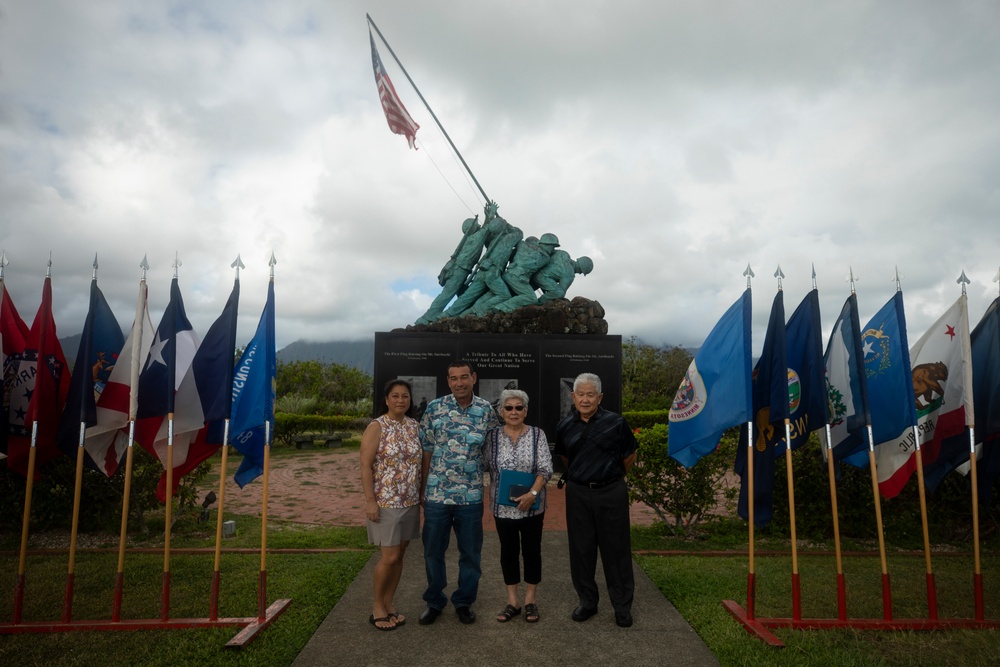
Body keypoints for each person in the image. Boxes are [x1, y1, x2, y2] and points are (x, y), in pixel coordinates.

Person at [418, 359, 501, 625]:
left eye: (464, 377)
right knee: (432, 551)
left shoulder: (486, 410)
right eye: (454, 378)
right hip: (437, 495)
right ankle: (435, 601)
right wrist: (423, 488)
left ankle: (464, 601)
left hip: (471, 496)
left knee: (471, 554)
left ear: (473, 378)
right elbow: (426, 450)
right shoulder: (435, 408)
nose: (459, 383)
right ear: (448, 380)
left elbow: (494, 451)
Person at [554, 372, 638, 628]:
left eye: (591, 394)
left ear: (600, 397)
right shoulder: (565, 425)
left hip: (611, 492)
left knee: (616, 551)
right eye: (581, 394)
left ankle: (622, 607)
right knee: (581, 550)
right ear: (573, 397)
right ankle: (587, 602)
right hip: (578, 493)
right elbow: (565, 458)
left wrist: (611, 477)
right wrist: (583, 475)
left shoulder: (616, 423)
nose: (586, 399)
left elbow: (629, 456)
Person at [483, 389, 553, 623]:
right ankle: (512, 601)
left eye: (519, 407)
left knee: (532, 551)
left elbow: (545, 468)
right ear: (501, 411)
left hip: (533, 506)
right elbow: (481, 464)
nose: (514, 412)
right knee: (508, 552)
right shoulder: (491, 436)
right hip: (502, 508)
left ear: (526, 410)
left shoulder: (537, 435)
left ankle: (530, 600)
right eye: (509, 408)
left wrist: (533, 493)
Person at [360, 379, 423, 631]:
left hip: (410, 502)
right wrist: (370, 502)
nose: (400, 400)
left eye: (405, 396)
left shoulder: (414, 426)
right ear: (386, 400)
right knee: (389, 556)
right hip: (386, 502)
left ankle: (389, 604)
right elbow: (365, 465)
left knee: (400, 556)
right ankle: (377, 606)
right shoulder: (377, 426)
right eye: (395, 396)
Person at [415, 216, 488, 324]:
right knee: (447, 293)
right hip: (460, 270)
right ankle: (428, 317)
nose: (478, 225)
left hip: (461, 269)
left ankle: (441, 315)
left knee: (458, 293)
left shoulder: (472, 237)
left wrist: (487, 217)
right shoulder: (475, 238)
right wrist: (489, 216)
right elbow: (486, 229)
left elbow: (483, 229)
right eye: (476, 224)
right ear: (472, 228)